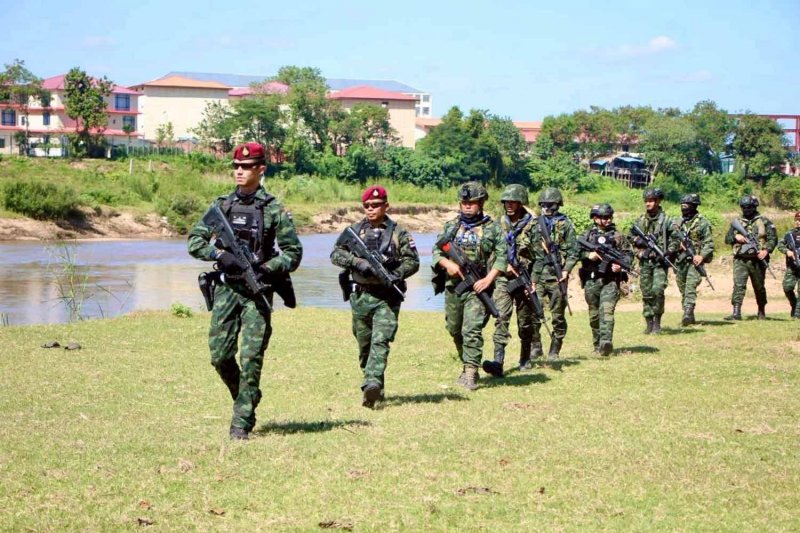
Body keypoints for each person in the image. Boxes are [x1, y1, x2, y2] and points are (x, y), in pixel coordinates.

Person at [188, 142, 303, 440]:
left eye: (246, 166)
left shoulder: (274, 209)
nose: (239, 171)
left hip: (258, 292)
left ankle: (241, 421)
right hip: (227, 289)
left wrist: (267, 268)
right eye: (236, 166)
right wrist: (218, 256)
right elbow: (194, 241)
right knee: (220, 356)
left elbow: (293, 253)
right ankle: (247, 397)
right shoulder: (222, 206)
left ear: (260, 169)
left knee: (251, 358)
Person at [330, 185, 420, 408]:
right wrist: (357, 262)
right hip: (360, 297)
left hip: (387, 297)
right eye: (367, 206)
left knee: (381, 341)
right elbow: (335, 254)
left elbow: (413, 261)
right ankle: (373, 385)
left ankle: (372, 383)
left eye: (376, 205)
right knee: (365, 347)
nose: (371, 209)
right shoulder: (354, 232)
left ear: (386, 206)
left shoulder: (399, 233)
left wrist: (394, 274)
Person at [432, 182, 506, 390]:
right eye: (464, 202)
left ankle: (471, 372)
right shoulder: (451, 226)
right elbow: (437, 251)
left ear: (481, 203)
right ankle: (466, 365)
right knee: (454, 329)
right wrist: (448, 264)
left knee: (471, 329)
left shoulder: (492, 228)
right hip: (454, 286)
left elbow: (502, 257)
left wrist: (488, 279)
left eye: (471, 203)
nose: (467, 206)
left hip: (478, 286)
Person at [483, 184, 540, 377]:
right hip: (502, 279)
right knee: (500, 317)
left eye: (513, 202)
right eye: (506, 201)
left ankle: (525, 358)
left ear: (521, 202)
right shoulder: (497, 225)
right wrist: (500, 265)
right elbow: (488, 251)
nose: (509, 205)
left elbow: (540, 257)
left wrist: (534, 281)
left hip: (525, 278)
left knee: (525, 322)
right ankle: (498, 362)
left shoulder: (533, 226)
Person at [530, 187, 579, 361]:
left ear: (558, 205)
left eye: (550, 204)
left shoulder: (565, 224)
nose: (547, 208)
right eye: (544, 204)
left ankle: (555, 349)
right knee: (534, 312)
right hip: (538, 275)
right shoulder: (535, 225)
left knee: (558, 315)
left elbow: (574, 250)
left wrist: (566, 270)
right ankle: (535, 346)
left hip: (557, 276)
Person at [578, 203, 632, 356]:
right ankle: (597, 344)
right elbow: (575, 251)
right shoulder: (586, 235)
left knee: (607, 311)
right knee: (594, 315)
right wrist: (588, 256)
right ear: (595, 218)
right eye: (603, 217)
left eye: (609, 217)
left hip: (611, 280)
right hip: (592, 280)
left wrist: (621, 267)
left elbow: (628, 255)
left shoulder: (618, 236)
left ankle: (605, 342)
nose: (606, 220)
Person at [724, 195, 778, 320]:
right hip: (741, 259)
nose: (746, 209)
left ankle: (761, 310)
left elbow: (773, 239)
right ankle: (736, 312)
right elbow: (727, 239)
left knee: (759, 286)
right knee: (739, 285)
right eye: (743, 207)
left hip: (758, 260)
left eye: (748, 207)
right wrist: (735, 237)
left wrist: (766, 250)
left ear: (754, 207)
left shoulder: (764, 221)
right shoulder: (737, 222)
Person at [630, 187, 674, 334]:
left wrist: (668, 251)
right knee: (646, 292)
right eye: (646, 201)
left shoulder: (667, 220)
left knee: (658, 290)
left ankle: (657, 323)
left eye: (651, 201)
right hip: (645, 262)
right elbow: (630, 237)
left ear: (658, 201)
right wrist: (639, 242)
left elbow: (675, 238)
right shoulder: (640, 220)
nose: (648, 204)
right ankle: (649, 322)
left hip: (660, 262)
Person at [671, 193, 714, 326]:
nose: (684, 208)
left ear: (694, 206)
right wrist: (678, 246)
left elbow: (709, 243)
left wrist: (701, 256)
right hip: (680, 261)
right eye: (682, 206)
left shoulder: (702, 223)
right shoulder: (676, 223)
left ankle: (688, 313)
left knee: (690, 287)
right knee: (682, 287)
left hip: (695, 262)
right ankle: (688, 312)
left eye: (687, 206)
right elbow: (669, 241)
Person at [776, 211, 800, 319]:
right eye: (797, 220)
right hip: (793, 266)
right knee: (787, 287)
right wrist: (787, 251)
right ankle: (794, 305)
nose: (798, 222)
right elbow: (780, 245)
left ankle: (797, 314)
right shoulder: (789, 234)